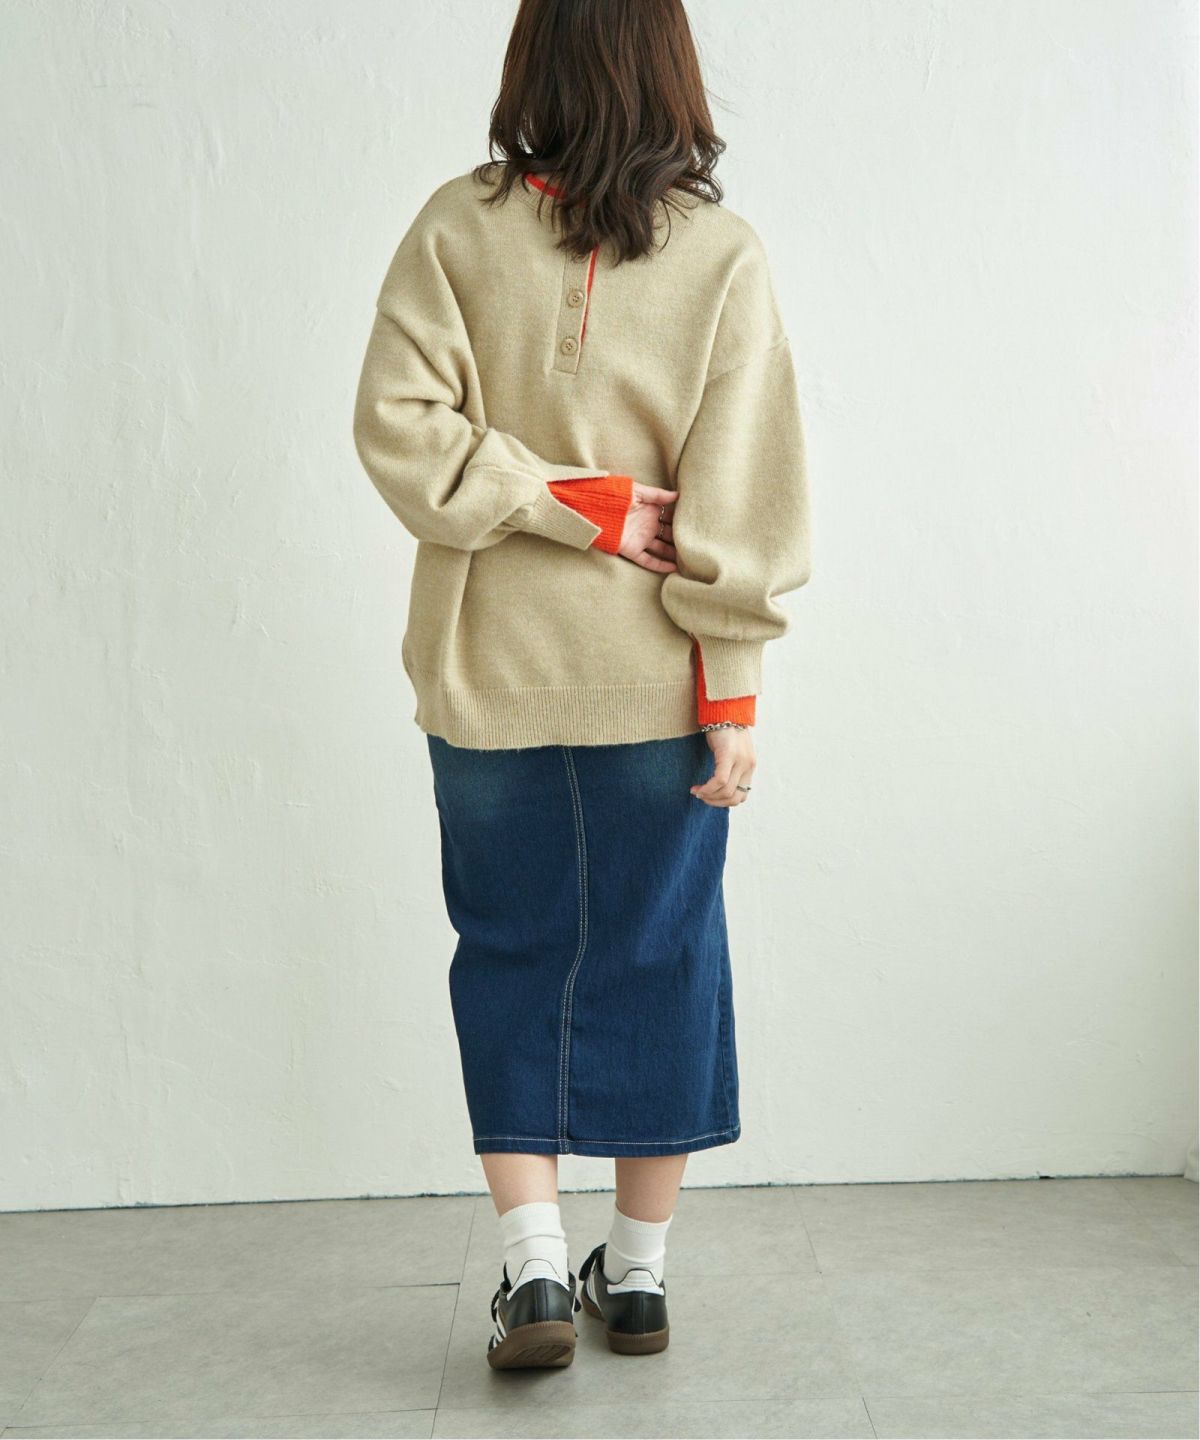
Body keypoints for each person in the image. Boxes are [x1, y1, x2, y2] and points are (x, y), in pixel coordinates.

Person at [352, 0, 811, 1371]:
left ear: (531, 63)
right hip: (659, 687)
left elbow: (401, 430)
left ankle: (538, 1272)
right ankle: (643, 1279)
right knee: (662, 957)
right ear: (671, 70)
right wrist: (727, 689)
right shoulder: (721, 253)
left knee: (510, 952)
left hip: (483, 674)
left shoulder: (456, 226)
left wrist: (539, 499)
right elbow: (745, 495)